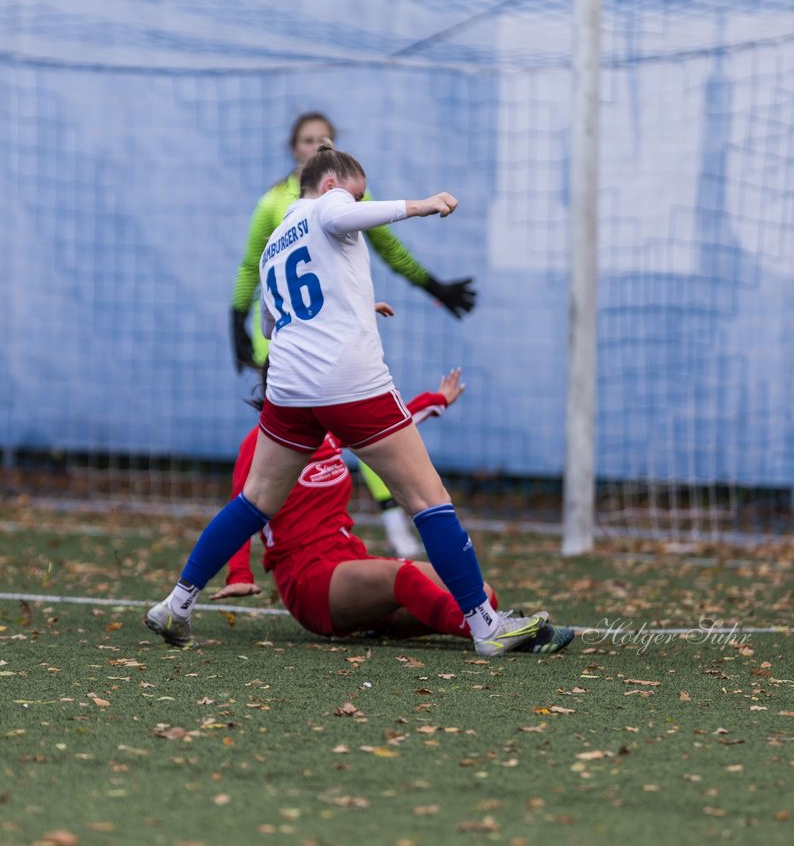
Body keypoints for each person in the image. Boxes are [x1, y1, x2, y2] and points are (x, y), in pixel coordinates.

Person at [147, 142, 547, 656]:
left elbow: (276, 321)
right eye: (355, 198)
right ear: (331, 185)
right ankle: (485, 626)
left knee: (254, 501)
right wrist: (421, 205)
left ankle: (177, 604)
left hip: (290, 391)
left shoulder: (274, 247)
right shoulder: (329, 205)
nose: (357, 211)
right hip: (347, 382)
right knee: (429, 499)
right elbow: (340, 219)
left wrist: (355, 302)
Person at [229, 112, 477, 559]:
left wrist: (433, 286)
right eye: (304, 140)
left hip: (329, 330)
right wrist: (235, 320)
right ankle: (283, 541)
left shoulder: (345, 201)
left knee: (345, 442)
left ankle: (375, 522)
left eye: (319, 139)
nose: (311, 146)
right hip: (289, 341)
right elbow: (253, 266)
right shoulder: (278, 203)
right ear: (295, 150)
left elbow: (388, 247)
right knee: (297, 455)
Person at [211, 366, 573, 653]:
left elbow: (389, 427)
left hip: (347, 560)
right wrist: (239, 575)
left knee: (482, 593)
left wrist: (438, 400)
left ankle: (378, 623)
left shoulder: (329, 433)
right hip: (308, 581)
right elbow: (242, 511)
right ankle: (496, 634)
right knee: (404, 580)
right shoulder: (259, 445)